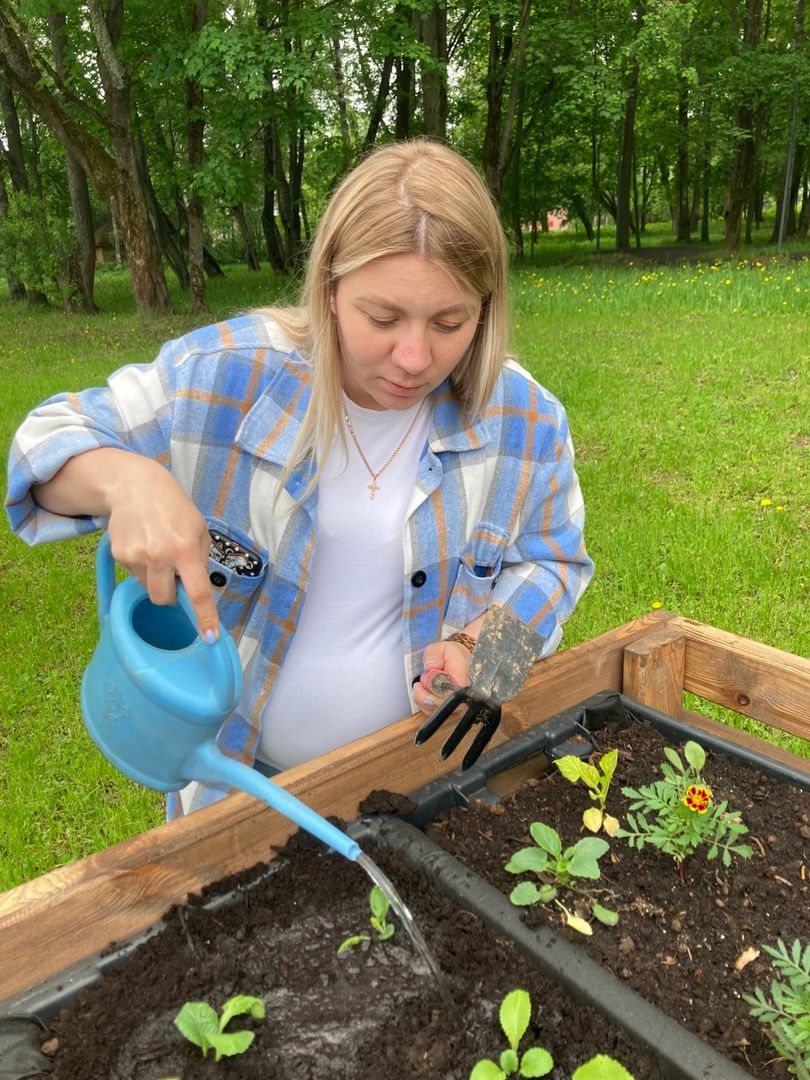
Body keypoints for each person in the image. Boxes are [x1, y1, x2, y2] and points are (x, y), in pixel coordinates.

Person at [6, 139, 594, 817]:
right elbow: (42, 445)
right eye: (382, 318)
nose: (413, 357)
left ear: (485, 310)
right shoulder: (228, 375)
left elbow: (556, 563)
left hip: (427, 789)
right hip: (238, 786)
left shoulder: (524, 418)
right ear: (329, 289)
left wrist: (481, 653)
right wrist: (125, 481)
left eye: (449, 322)